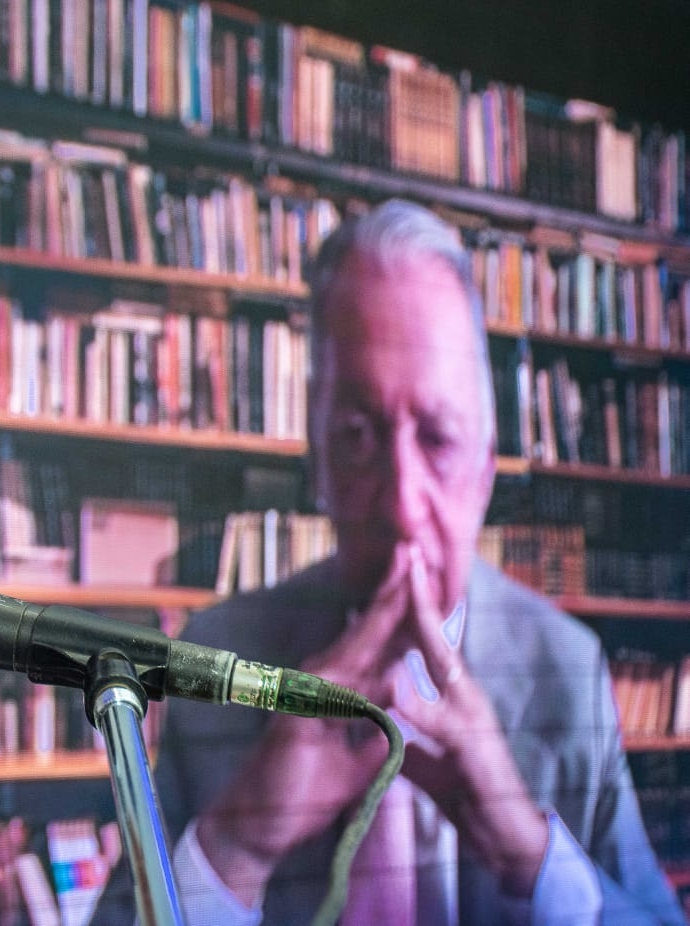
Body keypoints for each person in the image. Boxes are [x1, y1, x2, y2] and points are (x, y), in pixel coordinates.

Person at [92, 200, 684, 925]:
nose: (403, 507)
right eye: (357, 435)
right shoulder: (214, 660)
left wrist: (533, 857)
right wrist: (236, 844)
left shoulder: (566, 667)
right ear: (316, 460)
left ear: (486, 468)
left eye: (438, 437)